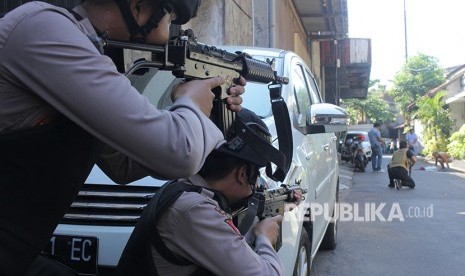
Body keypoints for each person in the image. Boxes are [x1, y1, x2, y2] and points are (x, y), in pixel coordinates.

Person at [0, 1, 247, 275]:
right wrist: (192, 105)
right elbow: (179, 155)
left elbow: (123, 165)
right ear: (139, 7)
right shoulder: (45, 30)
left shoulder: (79, 45)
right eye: (172, 16)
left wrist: (204, 111)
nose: (174, 28)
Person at [115, 109, 294, 276]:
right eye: (256, 176)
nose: (256, 185)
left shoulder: (184, 189)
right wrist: (264, 237)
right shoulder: (194, 210)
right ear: (243, 173)